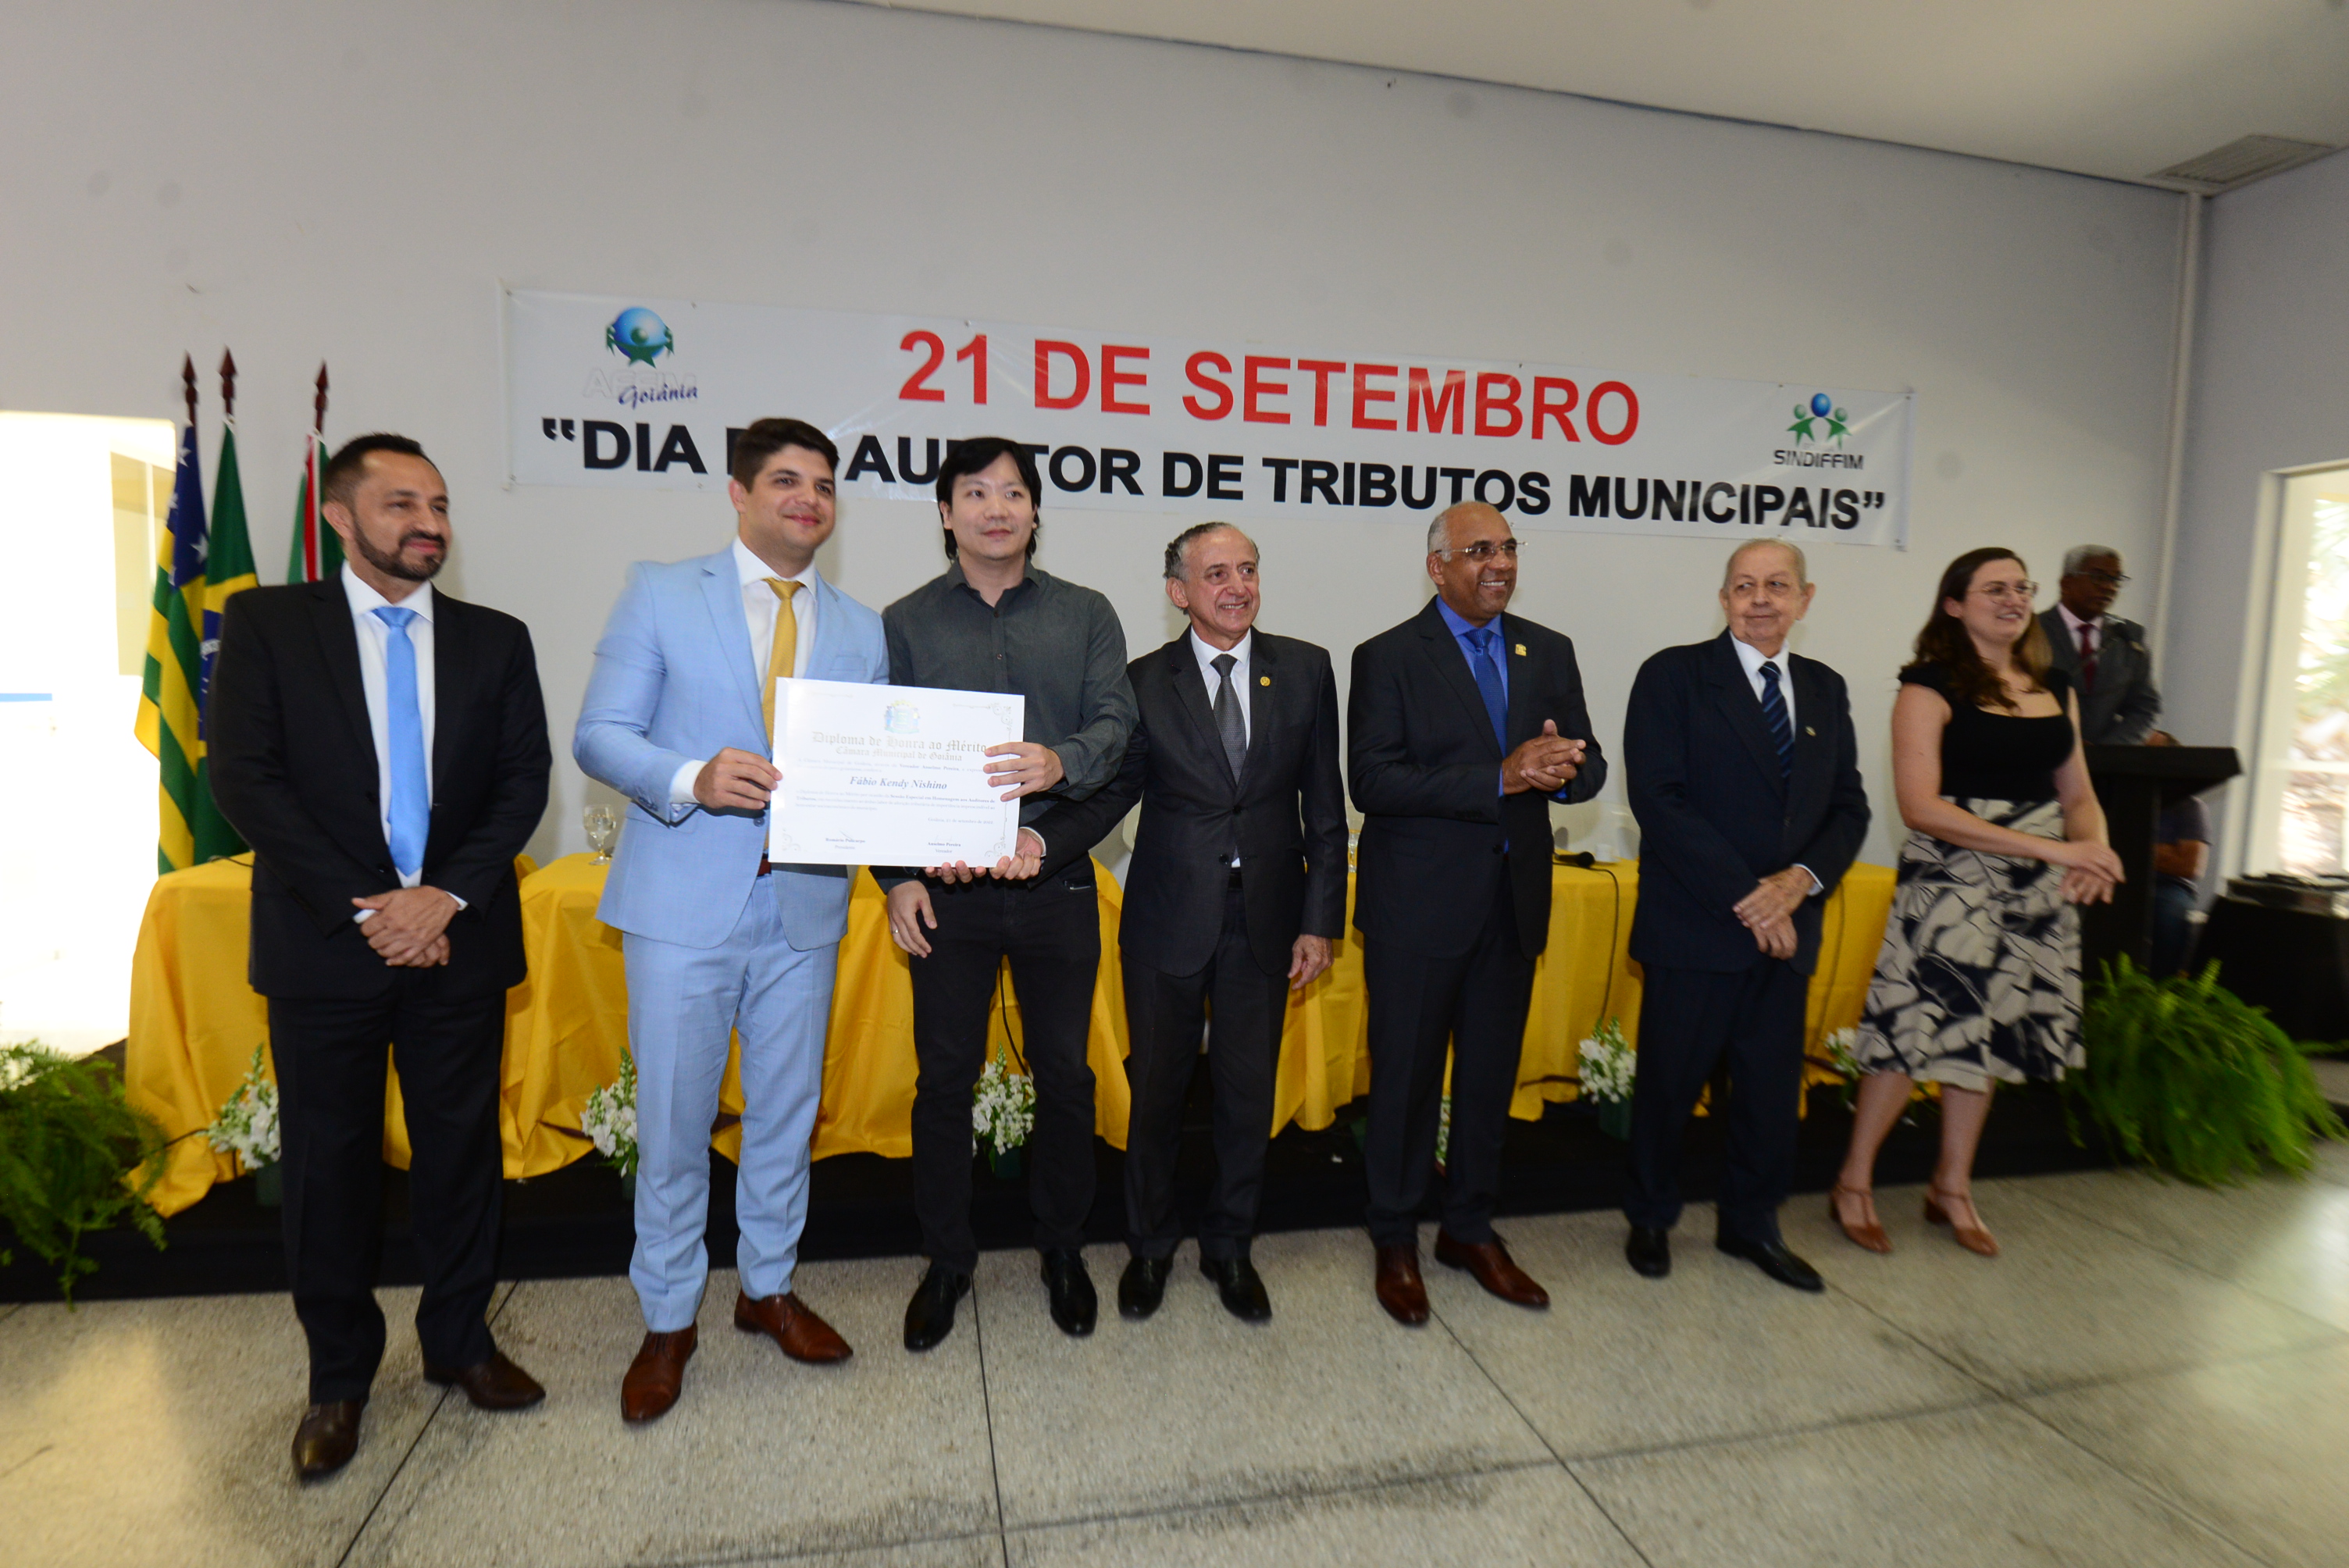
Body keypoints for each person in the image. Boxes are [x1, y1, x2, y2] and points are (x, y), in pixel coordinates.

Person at [209, 434, 552, 1479]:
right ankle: (338, 1380)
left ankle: (460, 1343)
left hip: (458, 941)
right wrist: (372, 907)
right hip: (327, 945)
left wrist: (442, 897)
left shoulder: (496, 639)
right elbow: (246, 778)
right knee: (330, 1169)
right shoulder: (269, 624)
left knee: (461, 1157)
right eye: (402, 503)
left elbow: (522, 781)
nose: (428, 523)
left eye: (438, 504)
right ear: (341, 516)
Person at [574, 418, 888, 1423]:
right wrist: (690, 778)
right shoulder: (662, 591)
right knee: (674, 1120)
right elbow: (598, 735)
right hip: (681, 906)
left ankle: (767, 1288)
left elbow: (873, 771)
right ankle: (669, 1316)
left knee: (786, 1113)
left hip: (804, 903)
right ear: (739, 493)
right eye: (786, 480)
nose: (808, 499)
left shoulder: (860, 626)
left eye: (823, 485)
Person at [1038, 522, 1347, 1325]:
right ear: (1179, 592)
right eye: (1216, 574)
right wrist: (1036, 841)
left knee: (1247, 1096)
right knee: (1157, 1094)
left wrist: (1321, 921)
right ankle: (1149, 1247)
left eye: (1247, 569)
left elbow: (1325, 807)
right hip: (1166, 919)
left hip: (1268, 920)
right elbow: (1113, 795)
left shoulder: (1306, 669)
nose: (1237, 586)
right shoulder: (1143, 681)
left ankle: (1230, 1246)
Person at [880, 437, 1139, 1349]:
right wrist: (897, 874)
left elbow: (1118, 732)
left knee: (1065, 1075)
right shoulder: (903, 623)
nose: (996, 508)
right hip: (944, 895)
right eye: (975, 493)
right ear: (945, 513)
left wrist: (1057, 768)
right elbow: (878, 761)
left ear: (1035, 510)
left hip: (1055, 881)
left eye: (1014, 492)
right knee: (943, 1079)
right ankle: (946, 1259)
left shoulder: (1086, 614)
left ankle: (1062, 1248)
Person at [1347, 501, 1606, 1325]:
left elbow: (1588, 765)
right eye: (1478, 550)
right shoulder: (1387, 656)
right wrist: (1500, 776)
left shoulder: (1547, 649)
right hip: (1416, 911)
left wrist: (1565, 769)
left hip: (1511, 904)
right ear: (1437, 567)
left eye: (1507, 547)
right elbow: (1372, 780)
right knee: (1405, 1085)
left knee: (1490, 1080)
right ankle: (1394, 1236)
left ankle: (1468, 1228)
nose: (1499, 562)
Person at [1834, 547, 2122, 1258]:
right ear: (1955, 605)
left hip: (2036, 887)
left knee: (1988, 1035)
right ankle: (1854, 1180)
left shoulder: (2056, 685)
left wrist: (2095, 849)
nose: (2013, 599)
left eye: (2021, 587)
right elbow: (1921, 807)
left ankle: (1952, 1186)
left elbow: (2079, 796)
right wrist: (2055, 851)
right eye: (1994, 588)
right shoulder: (1926, 685)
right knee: (1910, 1030)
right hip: (1952, 878)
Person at [1620, 541, 1870, 1292]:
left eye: (1778, 586)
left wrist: (1799, 881)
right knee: (1669, 1087)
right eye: (1745, 586)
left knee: (1768, 1094)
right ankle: (1651, 1218)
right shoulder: (1673, 676)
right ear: (1724, 598)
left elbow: (1849, 806)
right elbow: (1658, 797)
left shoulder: (1824, 687)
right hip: (1697, 925)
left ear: (1805, 599)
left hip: (1788, 930)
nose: (1761, 599)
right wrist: (1751, 896)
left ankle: (1752, 1225)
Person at [2038, 545, 2159, 745]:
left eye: (2116, 579)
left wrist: (2111, 749)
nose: (2109, 587)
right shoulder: (2032, 631)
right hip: (2045, 754)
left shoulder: (2129, 637)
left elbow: (2144, 707)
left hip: (2110, 758)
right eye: (2099, 577)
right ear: (2067, 582)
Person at [2143, 730, 2212, 976]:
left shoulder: (2190, 807)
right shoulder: (2115, 800)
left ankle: (2163, 988)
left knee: (2166, 915)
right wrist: (2164, 851)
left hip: (2170, 887)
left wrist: (2133, 848)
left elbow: (2190, 866)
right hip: (2116, 878)